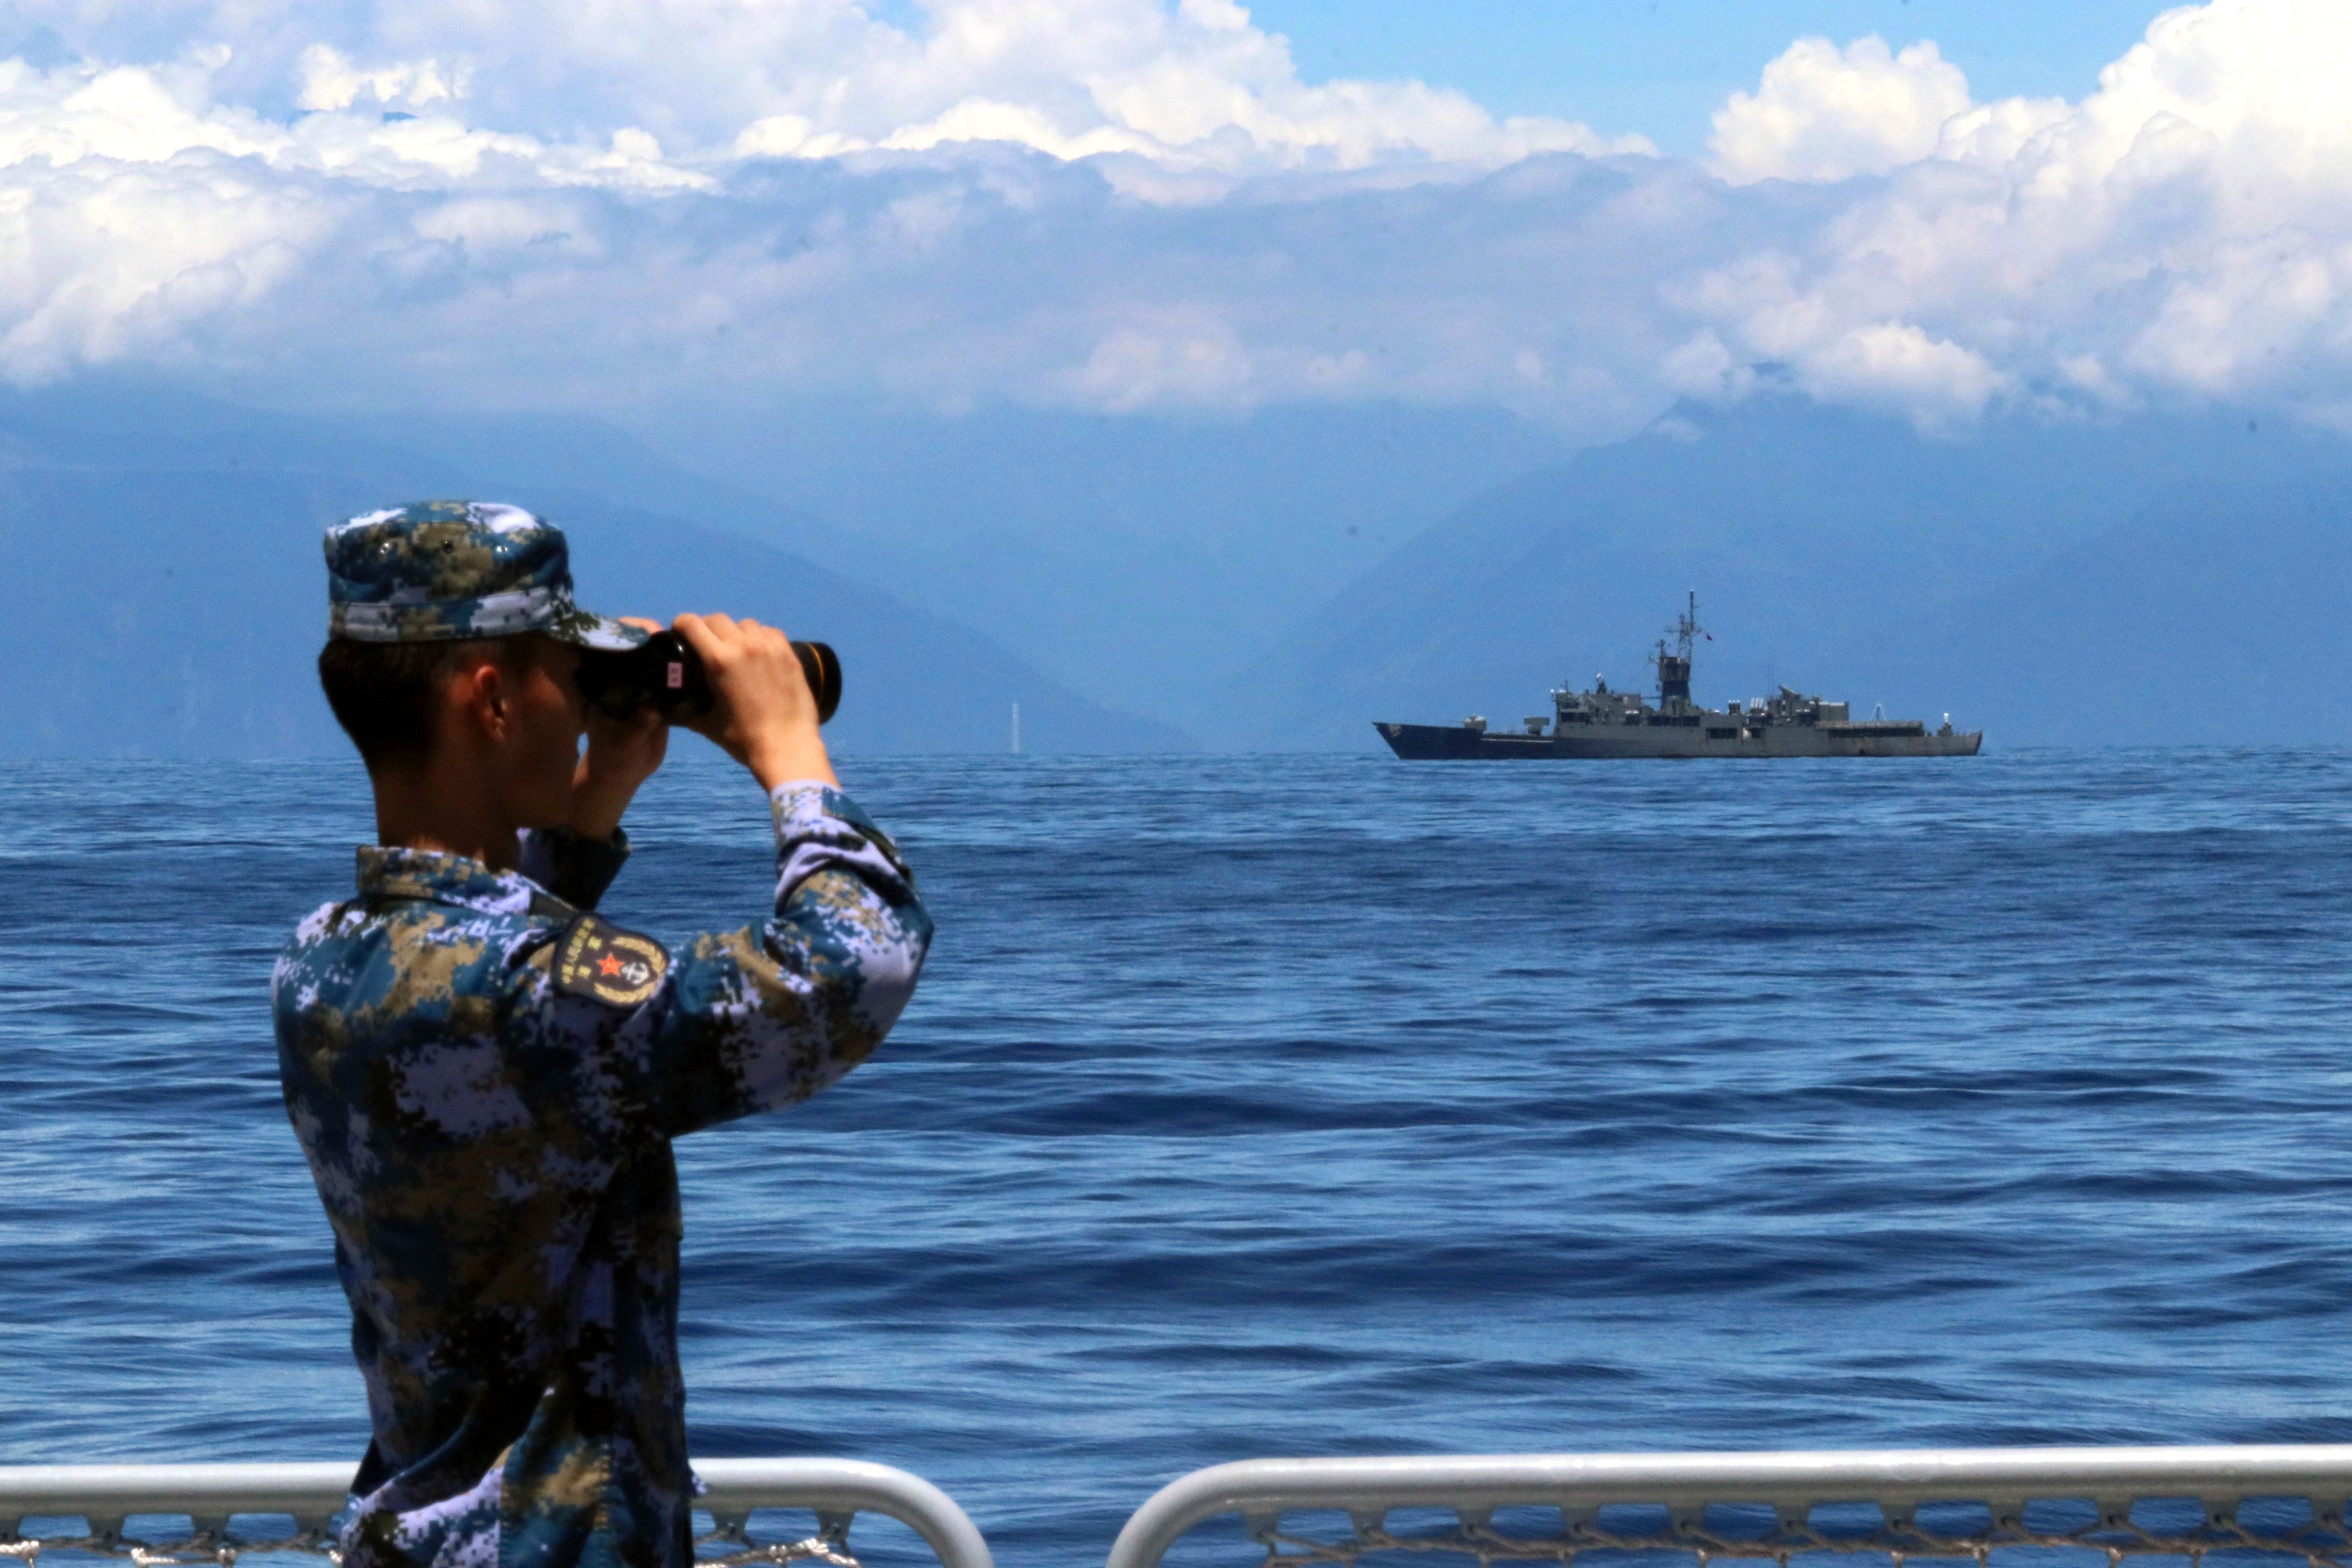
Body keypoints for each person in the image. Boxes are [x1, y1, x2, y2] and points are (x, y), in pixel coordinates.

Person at [273, 500, 933, 1568]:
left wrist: (588, 811)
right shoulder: (527, 997)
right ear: (492, 700)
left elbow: (483, 992)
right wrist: (791, 754)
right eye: (563, 675)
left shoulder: (321, 958)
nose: (582, 708)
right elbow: (850, 970)